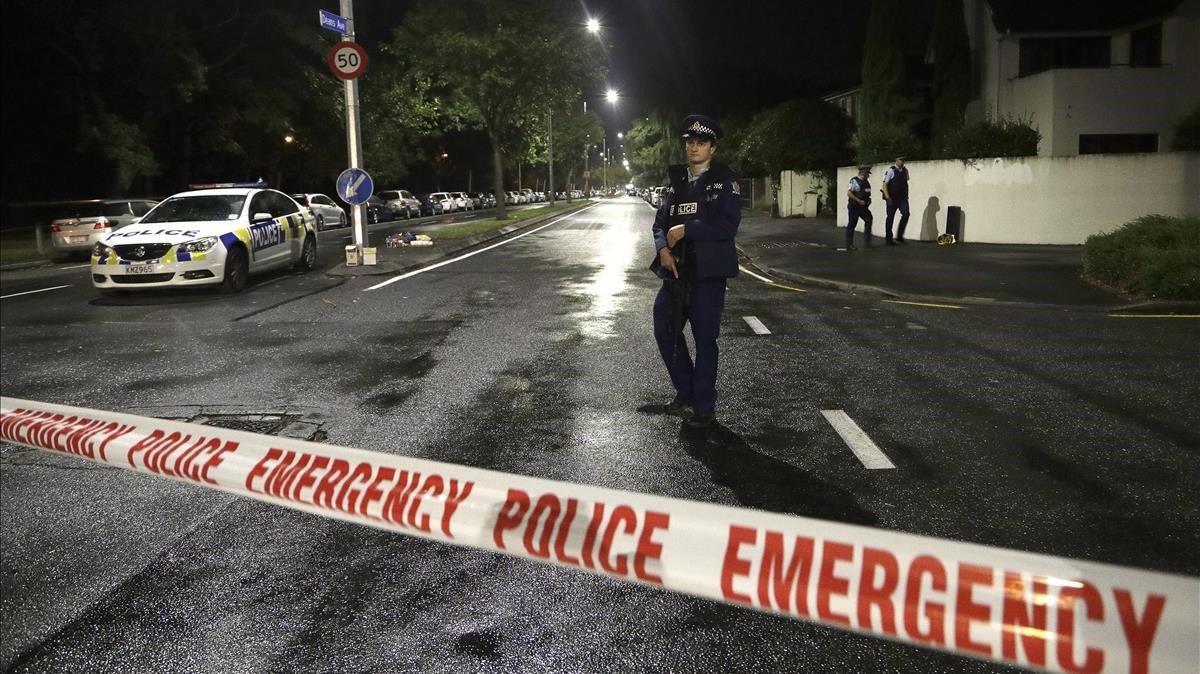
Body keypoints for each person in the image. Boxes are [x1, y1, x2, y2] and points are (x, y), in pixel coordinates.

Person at [649, 114, 741, 429]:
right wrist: (663, 249)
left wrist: (686, 230)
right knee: (665, 327)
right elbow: (659, 223)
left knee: (705, 339)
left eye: (701, 143)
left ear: (712, 148)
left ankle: (704, 406)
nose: (694, 147)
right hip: (676, 273)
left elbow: (727, 225)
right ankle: (685, 392)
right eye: (690, 142)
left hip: (708, 274)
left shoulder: (725, 181)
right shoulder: (675, 183)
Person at [882, 156, 910, 245]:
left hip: (902, 198)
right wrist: (887, 197)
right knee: (890, 218)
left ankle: (899, 236)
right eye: (900, 160)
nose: (902, 162)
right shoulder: (891, 170)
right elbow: (884, 184)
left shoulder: (905, 171)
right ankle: (888, 239)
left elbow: (906, 183)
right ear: (896, 160)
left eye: (903, 160)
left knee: (906, 214)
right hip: (892, 198)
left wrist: (906, 195)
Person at [846, 164, 873, 251]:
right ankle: (849, 244)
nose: (868, 175)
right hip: (854, 206)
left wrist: (868, 200)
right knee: (852, 224)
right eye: (867, 173)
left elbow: (868, 194)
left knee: (869, 219)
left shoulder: (867, 183)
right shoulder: (854, 181)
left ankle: (867, 241)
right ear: (863, 172)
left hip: (863, 207)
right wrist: (859, 201)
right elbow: (849, 193)